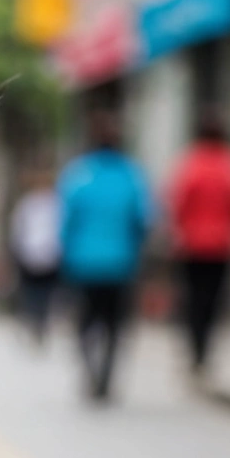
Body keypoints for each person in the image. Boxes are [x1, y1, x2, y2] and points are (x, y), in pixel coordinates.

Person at [58, 109, 154, 400]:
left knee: (85, 321)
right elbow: (143, 220)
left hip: (82, 263)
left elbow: (66, 221)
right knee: (115, 325)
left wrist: (66, 253)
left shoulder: (77, 174)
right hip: (121, 264)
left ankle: (90, 370)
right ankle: (106, 378)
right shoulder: (132, 175)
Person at [166, 108, 230, 375]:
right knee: (214, 300)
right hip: (223, 245)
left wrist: (178, 231)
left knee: (193, 297)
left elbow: (177, 203)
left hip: (192, 244)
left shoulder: (189, 164)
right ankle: (205, 350)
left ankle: (195, 348)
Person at [9, 171, 62, 342]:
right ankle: (33, 319)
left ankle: (41, 321)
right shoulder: (27, 204)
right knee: (31, 292)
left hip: (50, 255)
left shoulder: (56, 204)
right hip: (30, 254)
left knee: (45, 293)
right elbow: (18, 228)